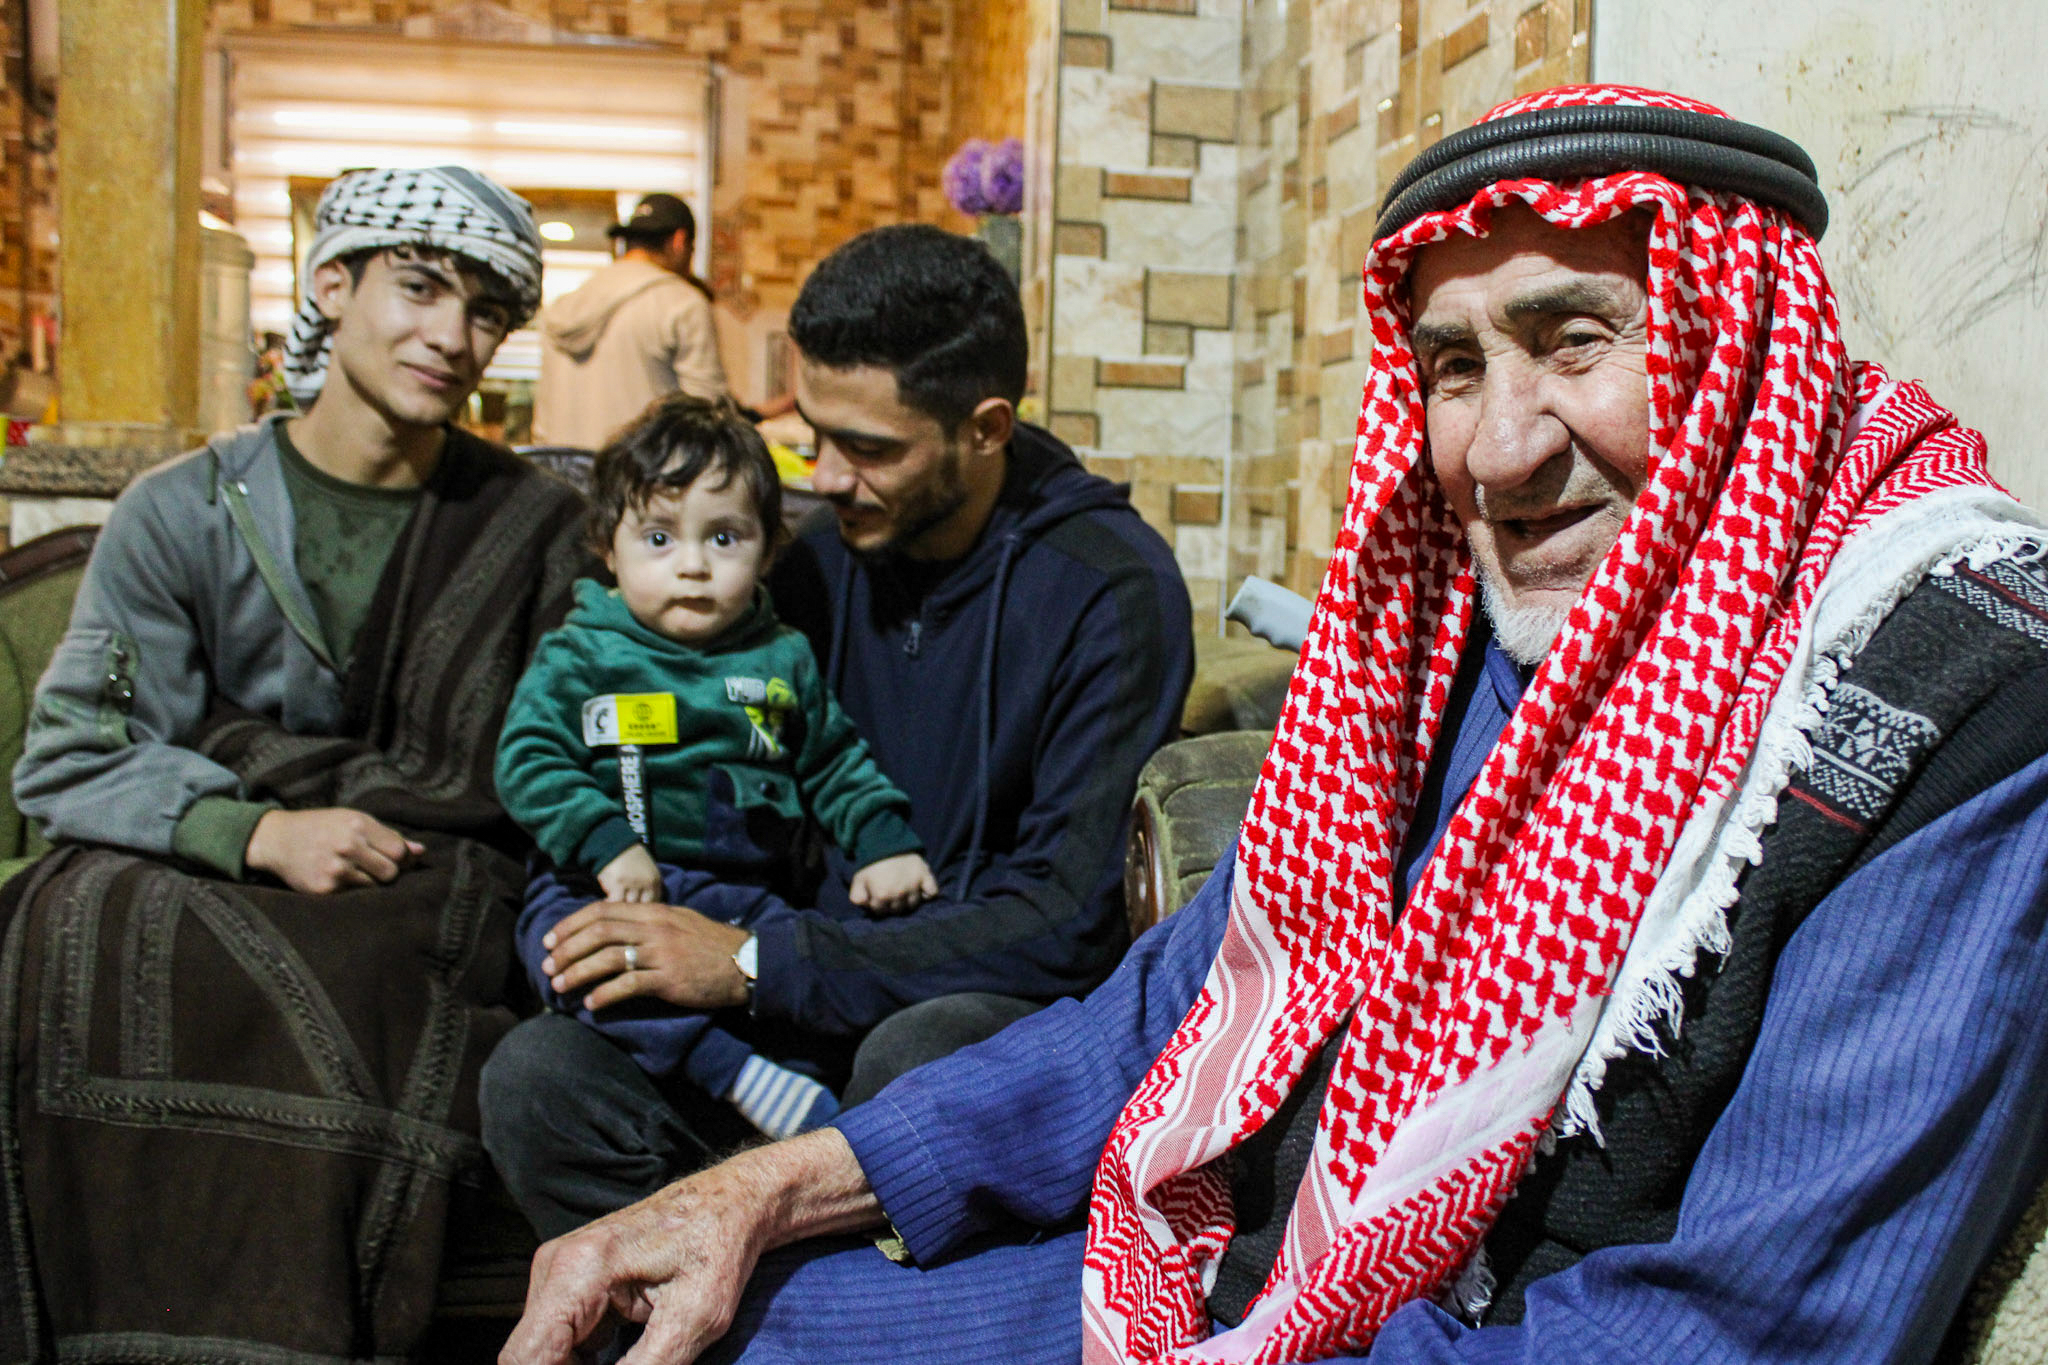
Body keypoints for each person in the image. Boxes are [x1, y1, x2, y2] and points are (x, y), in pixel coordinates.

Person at [500, 85, 2048, 1365]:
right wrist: (768, 1191)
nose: (1500, 450)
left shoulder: (1953, 693)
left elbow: (1734, 1331)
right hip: (1247, 1267)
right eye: (1453, 366)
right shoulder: (1468, 630)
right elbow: (1178, 998)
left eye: (1578, 340)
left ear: (1740, 345)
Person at [479, 223, 1194, 1240]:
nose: (821, 475)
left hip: (954, 997)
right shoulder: (811, 561)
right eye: (810, 433)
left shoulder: (1107, 591)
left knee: (918, 1055)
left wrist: (754, 962)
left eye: (866, 448)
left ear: (985, 428)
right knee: (539, 1076)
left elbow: (1064, 916)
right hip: (770, 986)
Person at [4, 166, 590, 1359]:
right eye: (419, 288)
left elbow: (563, 749)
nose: (452, 335)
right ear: (332, 284)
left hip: (425, 867)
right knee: (77, 924)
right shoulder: (183, 513)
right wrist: (254, 833)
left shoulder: (534, 525)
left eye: (485, 312)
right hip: (223, 844)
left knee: (377, 963)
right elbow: (78, 747)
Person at [496, 394, 939, 1142]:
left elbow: (833, 761)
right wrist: (607, 842)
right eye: (660, 538)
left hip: (740, 893)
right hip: (596, 883)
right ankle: (730, 1072)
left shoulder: (780, 657)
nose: (694, 566)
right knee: (575, 960)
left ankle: (816, 1127)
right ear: (609, 546)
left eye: (724, 538)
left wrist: (885, 840)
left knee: (815, 966)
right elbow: (526, 761)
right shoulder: (583, 653)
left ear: (768, 551)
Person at [533, 192, 729, 449]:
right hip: (639, 480)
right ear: (680, 241)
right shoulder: (682, 303)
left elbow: (542, 423)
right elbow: (708, 415)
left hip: (565, 478)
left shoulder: (566, 305)